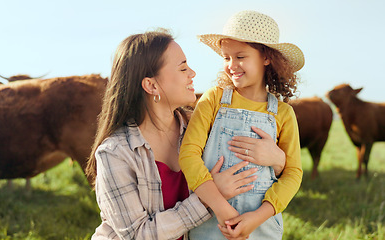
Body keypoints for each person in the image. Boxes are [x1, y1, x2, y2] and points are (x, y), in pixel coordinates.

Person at [85, 29, 285, 240]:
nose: (192, 73)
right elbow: (137, 235)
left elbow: (254, 176)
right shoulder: (114, 153)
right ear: (151, 85)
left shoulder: (205, 128)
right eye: (182, 68)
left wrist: (279, 160)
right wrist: (209, 197)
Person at [178, 10, 304, 239]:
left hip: (260, 226)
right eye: (226, 57)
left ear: (266, 58)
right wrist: (221, 208)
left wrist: (257, 217)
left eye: (240, 56)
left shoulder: (284, 113)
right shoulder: (214, 99)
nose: (231, 65)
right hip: (211, 220)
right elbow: (188, 154)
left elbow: (293, 173)